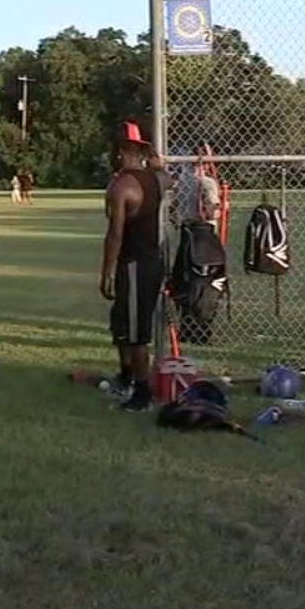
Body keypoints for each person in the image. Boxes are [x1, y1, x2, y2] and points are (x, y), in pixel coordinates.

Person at [99, 120, 170, 412]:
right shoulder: (156, 179)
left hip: (134, 265)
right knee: (122, 324)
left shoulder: (121, 186)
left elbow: (115, 234)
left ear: (119, 152)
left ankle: (142, 395)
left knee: (136, 333)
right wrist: (157, 163)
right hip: (153, 261)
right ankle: (127, 377)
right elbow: (166, 176)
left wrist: (107, 272)